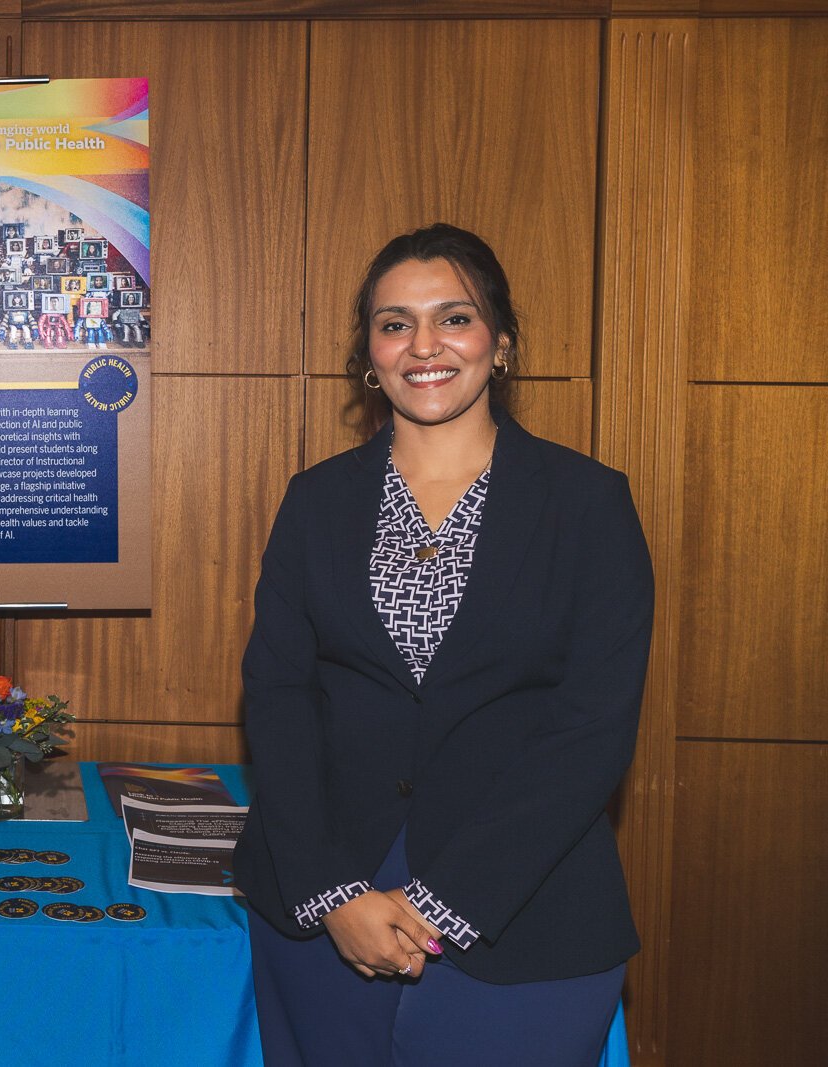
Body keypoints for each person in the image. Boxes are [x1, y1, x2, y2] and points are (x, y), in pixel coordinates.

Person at [235, 223, 652, 1065]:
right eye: (394, 324)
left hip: (525, 921)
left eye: (452, 317)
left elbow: (591, 729)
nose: (423, 345)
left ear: (500, 343)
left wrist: (446, 903)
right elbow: (276, 700)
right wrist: (333, 893)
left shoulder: (588, 503)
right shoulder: (314, 500)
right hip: (324, 920)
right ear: (370, 354)